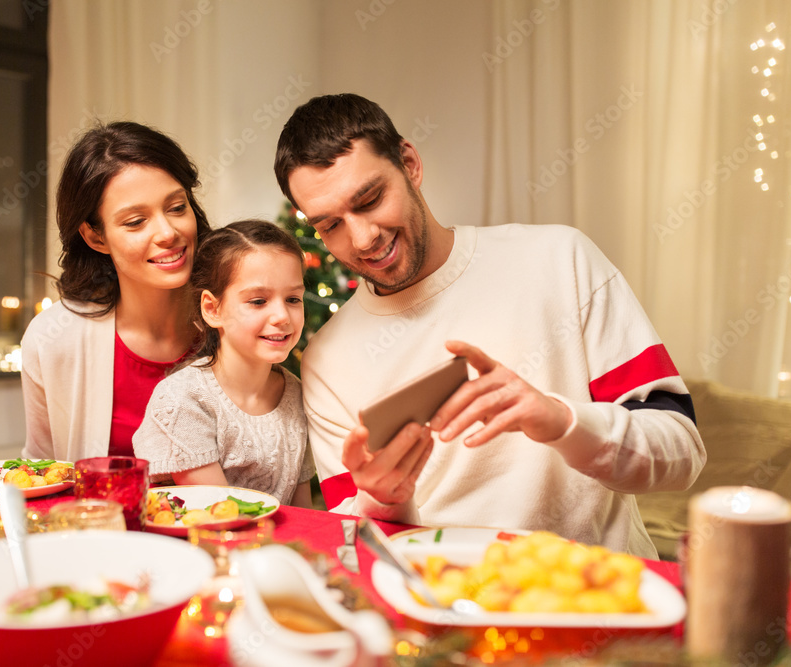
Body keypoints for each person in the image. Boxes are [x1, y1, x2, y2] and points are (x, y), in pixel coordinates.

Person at [273, 93, 705, 556]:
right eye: (330, 225)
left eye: (371, 199)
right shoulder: (325, 360)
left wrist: (561, 421)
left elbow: (683, 454)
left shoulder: (560, 260)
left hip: (594, 596)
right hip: (446, 606)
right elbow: (353, 541)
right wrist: (383, 498)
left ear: (410, 163)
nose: (362, 238)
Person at [21, 121, 212, 462]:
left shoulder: (239, 318)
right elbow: (41, 471)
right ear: (96, 237)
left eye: (177, 207)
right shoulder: (53, 339)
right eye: (136, 221)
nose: (167, 233)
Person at [133, 220, 315, 507]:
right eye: (258, 301)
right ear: (212, 309)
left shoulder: (298, 394)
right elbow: (219, 515)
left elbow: (304, 513)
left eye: (293, 298)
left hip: (276, 548)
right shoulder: (183, 400)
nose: (282, 316)